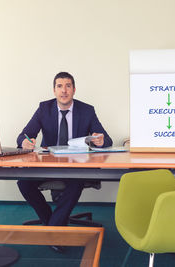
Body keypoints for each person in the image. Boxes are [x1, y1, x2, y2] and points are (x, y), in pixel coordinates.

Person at [16, 71, 113, 229]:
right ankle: (52, 221)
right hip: (48, 164)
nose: (64, 91)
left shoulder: (87, 110)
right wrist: (25, 142)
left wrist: (100, 141)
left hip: (76, 166)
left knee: (76, 182)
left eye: (68, 86)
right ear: (54, 90)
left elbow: (107, 140)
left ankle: (53, 229)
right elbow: (23, 136)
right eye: (59, 86)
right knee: (23, 183)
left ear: (74, 90)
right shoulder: (44, 109)